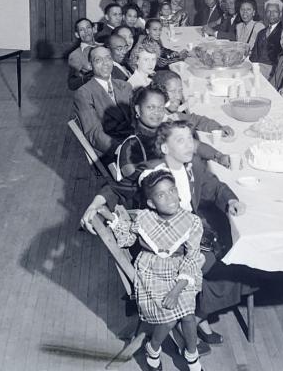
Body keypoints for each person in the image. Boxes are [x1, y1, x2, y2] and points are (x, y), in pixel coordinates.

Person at [81, 120, 253, 348]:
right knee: (237, 264)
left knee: (239, 255)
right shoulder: (151, 172)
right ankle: (196, 316)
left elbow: (215, 186)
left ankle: (199, 314)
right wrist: (95, 204)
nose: (189, 146)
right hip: (164, 250)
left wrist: (230, 200)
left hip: (189, 233)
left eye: (190, 139)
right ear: (164, 148)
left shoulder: (194, 165)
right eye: (180, 141)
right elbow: (115, 189)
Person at [101, 169, 205, 371]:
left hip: (181, 273)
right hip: (151, 272)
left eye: (172, 190)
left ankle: (192, 356)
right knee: (170, 318)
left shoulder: (191, 222)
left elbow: (192, 257)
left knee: (188, 316)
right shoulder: (144, 218)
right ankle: (153, 349)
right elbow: (128, 239)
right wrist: (112, 219)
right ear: (151, 203)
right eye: (161, 195)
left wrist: (176, 290)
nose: (170, 197)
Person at [73, 46, 133, 160]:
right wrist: (120, 149)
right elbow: (93, 133)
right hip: (111, 151)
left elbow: (136, 118)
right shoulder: (84, 93)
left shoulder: (125, 86)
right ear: (90, 65)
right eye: (98, 60)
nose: (105, 63)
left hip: (133, 141)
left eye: (108, 58)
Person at [152, 70, 234, 136]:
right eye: (172, 91)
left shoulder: (171, 114)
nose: (178, 96)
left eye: (180, 91)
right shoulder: (154, 123)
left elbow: (196, 120)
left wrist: (218, 128)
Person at [250, 0, 283, 67]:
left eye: (275, 11)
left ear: (280, 14)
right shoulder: (261, 33)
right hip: (258, 70)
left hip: (273, 72)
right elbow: (254, 55)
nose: (271, 14)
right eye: (268, 11)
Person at [68, 18, 98, 91]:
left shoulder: (104, 46)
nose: (86, 31)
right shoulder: (75, 55)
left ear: (94, 29)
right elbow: (74, 82)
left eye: (88, 27)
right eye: (81, 30)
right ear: (77, 34)